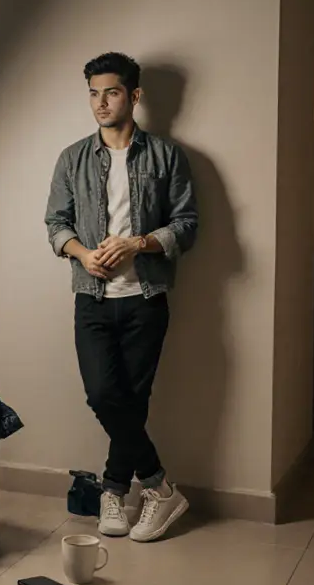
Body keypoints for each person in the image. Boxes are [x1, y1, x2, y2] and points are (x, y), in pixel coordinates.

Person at [44, 52, 199, 542]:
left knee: (133, 400)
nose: (100, 103)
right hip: (91, 297)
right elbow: (55, 224)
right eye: (93, 92)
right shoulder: (72, 158)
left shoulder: (167, 155)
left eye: (110, 92)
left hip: (145, 298)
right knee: (104, 395)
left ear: (134, 96)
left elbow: (187, 225)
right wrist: (81, 253)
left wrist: (139, 242)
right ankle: (156, 486)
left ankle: (114, 491)